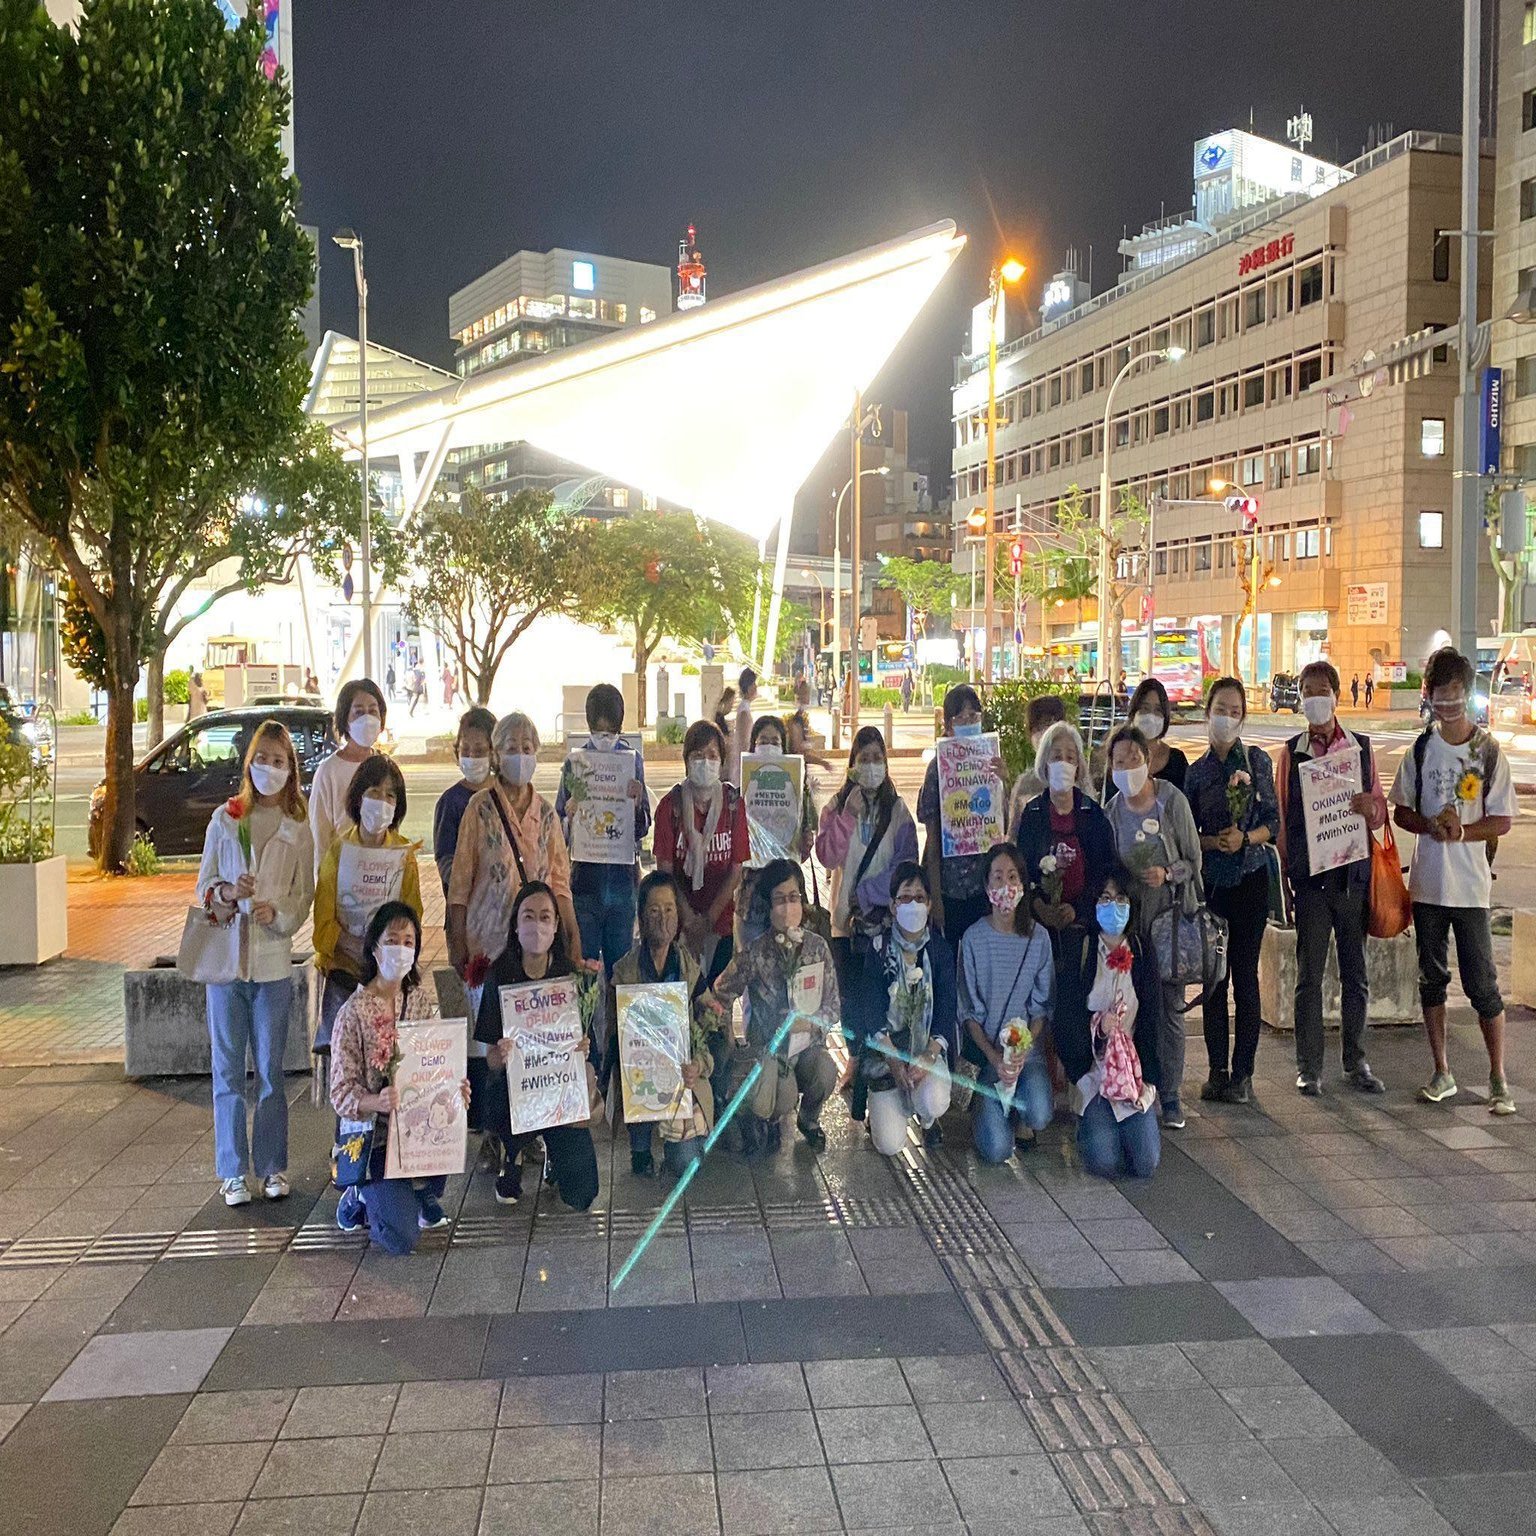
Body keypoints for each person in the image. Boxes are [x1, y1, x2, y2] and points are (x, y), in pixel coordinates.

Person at [1391, 646, 1518, 1114]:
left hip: (1471, 888)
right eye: (1439, 696)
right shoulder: (1421, 749)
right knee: (1432, 979)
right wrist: (1429, 825)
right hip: (1428, 885)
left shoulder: (1487, 751)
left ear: (1467, 693)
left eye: (1454, 695)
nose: (1447, 704)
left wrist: (1462, 831)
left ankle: (1498, 1077)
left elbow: (1503, 819)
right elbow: (1401, 810)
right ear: (1429, 696)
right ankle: (1441, 1070)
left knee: (1483, 984)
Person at [194, 721, 315, 1206]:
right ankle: (232, 1171)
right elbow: (204, 886)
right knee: (226, 1071)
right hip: (226, 964)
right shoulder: (226, 819)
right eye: (261, 759)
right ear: (249, 763)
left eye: (278, 761)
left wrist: (278, 914)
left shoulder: (297, 827)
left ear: (291, 770)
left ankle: (271, 1167)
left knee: (269, 1070)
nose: (269, 768)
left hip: (272, 966)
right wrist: (227, 891)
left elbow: (303, 895)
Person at [1276, 661, 1387, 1096]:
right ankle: (1309, 1067)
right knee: (1309, 977)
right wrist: (1285, 881)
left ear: (1337, 696)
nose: (1314, 699)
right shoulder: (1292, 752)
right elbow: (1283, 820)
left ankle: (1356, 1062)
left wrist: (1369, 808)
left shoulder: (1360, 748)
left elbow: (1379, 812)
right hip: (1310, 884)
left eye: (1321, 690)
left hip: (1352, 880)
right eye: (1307, 691)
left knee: (1355, 975)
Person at [330, 902, 468, 1251]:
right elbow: (340, 1092)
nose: (401, 949)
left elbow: (435, 1064)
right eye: (392, 940)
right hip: (374, 1135)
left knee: (445, 1124)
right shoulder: (352, 1013)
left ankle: (419, 1188)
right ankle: (358, 1194)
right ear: (374, 948)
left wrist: (454, 1087)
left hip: (414, 1128)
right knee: (400, 1238)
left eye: (409, 942)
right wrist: (374, 1101)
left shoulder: (419, 1001)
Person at [1184, 677, 1279, 1107]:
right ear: (1208, 714)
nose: (1226, 718)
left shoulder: (1257, 762)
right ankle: (1216, 1071)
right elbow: (1188, 833)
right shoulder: (1197, 773)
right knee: (1214, 981)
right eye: (1220, 710)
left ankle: (1243, 1074)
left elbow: (1273, 822)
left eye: (1234, 711)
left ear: (1243, 717)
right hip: (1214, 886)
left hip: (1251, 880)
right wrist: (1212, 842)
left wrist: (1246, 838)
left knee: (1244, 976)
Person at [476, 881, 601, 1207]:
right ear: (515, 925)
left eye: (545, 917)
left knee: (583, 1194)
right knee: (499, 1091)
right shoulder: (499, 974)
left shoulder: (569, 976)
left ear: (557, 924)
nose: (537, 925)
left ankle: (554, 1158)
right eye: (528, 916)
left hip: (559, 1091)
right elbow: (488, 1058)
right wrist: (501, 1054)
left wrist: (583, 1048)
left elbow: (586, 1046)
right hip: (515, 1093)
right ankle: (512, 1153)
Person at [1104, 723, 1203, 1128]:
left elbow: (1194, 861)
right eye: (1119, 761)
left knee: (1170, 1008)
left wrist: (1168, 873)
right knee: (1133, 1007)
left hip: (1170, 920)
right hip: (1130, 928)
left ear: (1148, 760)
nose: (1128, 767)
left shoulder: (1171, 800)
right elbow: (1109, 870)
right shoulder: (1111, 812)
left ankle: (1172, 1094)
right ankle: (1136, 1083)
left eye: (1134, 758)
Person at [705, 858, 841, 1154]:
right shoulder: (756, 952)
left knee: (826, 1071)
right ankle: (767, 1117)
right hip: (770, 1051)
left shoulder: (817, 948)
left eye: (793, 897)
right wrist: (728, 1038)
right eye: (779, 900)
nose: (787, 907)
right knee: (784, 1092)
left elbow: (833, 1006)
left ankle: (809, 1120)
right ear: (768, 906)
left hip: (807, 1047)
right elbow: (721, 992)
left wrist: (810, 1022)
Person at [816, 725, 918, 1118]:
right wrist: (847, 816)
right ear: (853, 764)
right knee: (849, 995)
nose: (872, 766)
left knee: (881, 993)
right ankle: (856, 1057)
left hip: (885, 922)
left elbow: (906, 864)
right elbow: (826, 856)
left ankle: (881, 1060)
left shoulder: (898, 811)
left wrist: (870, 893)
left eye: (878, 758)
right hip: (845, 921)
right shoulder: (836, 806)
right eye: (864, 759)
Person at [1014, 721, 1119, 1090]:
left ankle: (1078, 1077)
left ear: (1079, 765)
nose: (1063, 762)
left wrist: (1080, 910)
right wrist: (1039, 907)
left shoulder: (1093, 815)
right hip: (1041, 930)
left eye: (1070, 757)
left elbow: (1105, 873)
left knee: (1075, 1004)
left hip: (1082, 929)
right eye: (1056, 755)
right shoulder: (1032, 814)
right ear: (1044, 763)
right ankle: (1038, 1077)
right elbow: (1021, 871)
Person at [312, 754, 423, 1082]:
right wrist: (360, 947)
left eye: (390, 795)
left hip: (390, 983)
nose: (382, 802)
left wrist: (391, 951)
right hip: (345, 978)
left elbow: (413, 917)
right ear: (358, 797)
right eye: (374, 792)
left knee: (392, 1073)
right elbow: (322, 926)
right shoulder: (337, 852)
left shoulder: (404, 855)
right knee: (346, 1076)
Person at [448, 711, 580, 983]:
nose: (520, 755)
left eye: (526, 748)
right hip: (487, 947)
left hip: (536, 951)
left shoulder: (546, 814)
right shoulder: (479, 808)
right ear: (496, 755)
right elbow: (460, 884)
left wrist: (572, 935)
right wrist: (457, 943)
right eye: (511, 748)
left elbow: (559, 884)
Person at [1057, 874, 1161, 1179]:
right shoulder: (1081, 946)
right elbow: (1066, 1016)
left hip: (1131, 1076)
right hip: (1093, 1074)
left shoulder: (1141, 949)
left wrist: (1149, 1081)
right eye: (1105, 898)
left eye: (1120, 899)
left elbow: (1152, 1018)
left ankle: (1124, 1132)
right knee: (1104, 1163)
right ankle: (1090, 1129)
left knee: (1146, 1163)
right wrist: (1097, 1029)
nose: (1113, 905)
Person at [611, 871, 714, 1177]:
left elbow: (709, 1016)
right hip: (640, 1074)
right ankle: (640, 1146)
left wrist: (699, 1063)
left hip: (681, 1074)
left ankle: (689, 1128)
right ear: (642, 918)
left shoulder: (688, 967)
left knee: (686, 1163)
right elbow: (613, 1036)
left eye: (669, 909)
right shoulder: (624, 971)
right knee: (635, 1069)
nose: (663, 918)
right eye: (654, 910)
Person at [959, 844, 1055, 1164]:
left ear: (1023, 884)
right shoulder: (972, 939)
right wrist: (994, 1057)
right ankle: (985, 1107)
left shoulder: (1039, 938)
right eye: (997, 877)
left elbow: (1042, 1007)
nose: (1005, 886)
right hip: (989, 1054)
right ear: (987, 887)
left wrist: (1023, 1049)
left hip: (1027, 1054)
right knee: (997, 1151)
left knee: (1040, 1113)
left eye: (1012, 877)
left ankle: (1019, 1112)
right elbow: (968, 1014)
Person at [555, 684, 651, 979]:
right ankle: (586, 1012)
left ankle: (613, 1012)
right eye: (599, 731)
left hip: (622, 881)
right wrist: (569, 815)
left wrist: (637, 804)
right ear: (589, 726)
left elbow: (642, 826)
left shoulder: (632, 761)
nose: (605, 738)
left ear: (621, 728)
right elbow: (558, 831)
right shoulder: (575, 764)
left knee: (619, 971)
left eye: (611, 732)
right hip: (585, 880)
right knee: (583, 968)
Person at [860, 862, 956, 1153]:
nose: (913, 904)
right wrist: (893, 1059)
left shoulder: (939, 950)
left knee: (933, 1100)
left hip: (924, 1052)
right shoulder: (878, 949)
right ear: (893, 906)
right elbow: (870, 1008)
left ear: (929, 904)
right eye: (905, 897)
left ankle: (927, 1119)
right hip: (886, 1057)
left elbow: (947, 1007)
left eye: (919, 898)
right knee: (889, 1145)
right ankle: (884, 1111)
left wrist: (929, 1055)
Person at [654, 720, 749, 986]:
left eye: (712, 755)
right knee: (682, 999)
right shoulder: (670, 807)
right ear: (686, 761)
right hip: (677, 926)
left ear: (721, 761)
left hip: (721, 925)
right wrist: (689, 921)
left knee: (717, 1003)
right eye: (697, 755)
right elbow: (665, 872)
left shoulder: (734, 805)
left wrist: (708, 920)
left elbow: (736, 870)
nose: (705, 762)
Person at [919, 684, 1007, 939]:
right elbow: (933, 840)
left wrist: (1004, 781)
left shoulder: (991, 762)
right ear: (948, 725)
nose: (969, 722)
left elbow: (1004, 822)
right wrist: (936, 898)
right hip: (950, 888)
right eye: (961, 718)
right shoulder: (938, 768)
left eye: (973, 716)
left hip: (985, 886)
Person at [737, 712, 816, 950]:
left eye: (775, 742)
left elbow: (800, 851)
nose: (769, 746)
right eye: (763, 741)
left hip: (786, 894)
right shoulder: (741, 790)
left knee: (788, 960)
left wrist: (805, 843)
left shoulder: (797, 788)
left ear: (784, 747)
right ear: (753, 746)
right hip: (752, 899)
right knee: (753, 960)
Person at [309, 678, 387, 879]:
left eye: (373, 711)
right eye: (359, 712)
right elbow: (320, 839)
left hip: (380, 877)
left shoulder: (386, 768)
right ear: (345, 719)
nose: (367, 718)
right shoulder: (328, 772)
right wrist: (325, 884)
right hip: (342, 879)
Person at [432, 707, 497, 897]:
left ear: (494, 752)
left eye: (479, 750)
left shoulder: (506, 795)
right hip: (466, 904)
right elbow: (445, 858)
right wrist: (469, 887)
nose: (471, 757)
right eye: (465, 750)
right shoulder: (450, 802)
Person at [1007, 693, 1069, 829]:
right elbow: (1014, 833)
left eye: (1049, 725)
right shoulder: (1025, 784)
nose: (1043, 733)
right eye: (1037, 728)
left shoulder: (1076, 775)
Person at [1121, 678, 1189, 794]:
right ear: (1133, 712)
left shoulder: (1177, 761)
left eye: (1158, 710)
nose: (1151, 716)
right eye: (1145, 708)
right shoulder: (1120, 756)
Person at [786, 676, 832, 769]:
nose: (808, 697)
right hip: (796, 768)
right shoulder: (795, 721)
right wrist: (822, 762)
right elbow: (798, 751)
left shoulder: (801, 717)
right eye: (806, 693)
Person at [728, 667, 758, 784]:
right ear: (749, 688)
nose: (756, 687)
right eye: (754, 684)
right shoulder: (744, 711)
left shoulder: (745, 708)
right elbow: (744, 742)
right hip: (742, 765)